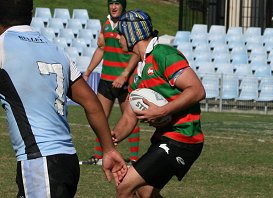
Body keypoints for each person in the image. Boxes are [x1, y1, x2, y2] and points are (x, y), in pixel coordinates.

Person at [0, 0, 127, 197]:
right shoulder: (56, 50)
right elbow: (92, 103)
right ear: (31, 14)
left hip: (40, 162)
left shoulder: (3, 46)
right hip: (67, 160)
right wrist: (108, 149)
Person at [112, 9, 206, 197]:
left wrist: (162, 111)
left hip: (184, 137)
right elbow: (129, 118)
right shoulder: (137, 75)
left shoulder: (164, 54)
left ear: (133, 33)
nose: (117, 37)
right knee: (145, 192)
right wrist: (111, 137)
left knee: (125, 186)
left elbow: (197, 90)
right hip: (166, 138)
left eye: (121, 33)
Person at [81, 0, 141, 165]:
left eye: (117, 3)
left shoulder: (129, 24)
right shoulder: (106, 23)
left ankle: (135, 159)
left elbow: (137, 52)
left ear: (123, 6)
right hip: (106, 80)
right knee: (100, 118)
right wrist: (87, 72)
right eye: (111, 3)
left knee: (130, 118)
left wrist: (124, 74)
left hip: (126, 81)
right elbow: (101, 49)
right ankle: (99, 157)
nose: (114, 7)